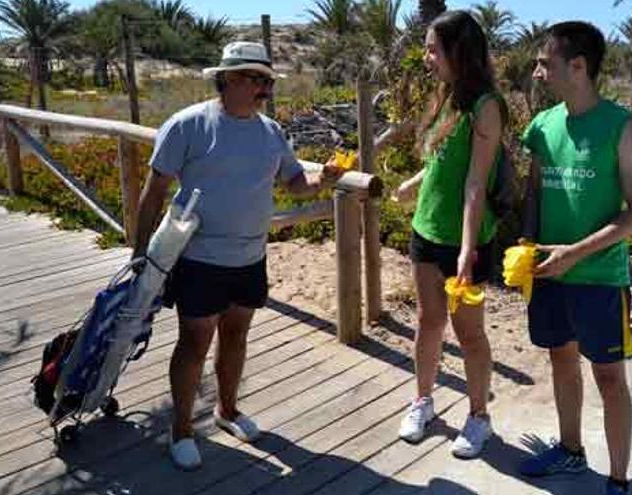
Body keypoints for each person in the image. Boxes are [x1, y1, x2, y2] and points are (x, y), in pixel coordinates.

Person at [132, 41, 342, 470]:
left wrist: (325, 179)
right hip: (198, 259)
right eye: (254, 78)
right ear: (226, 80)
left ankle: (227, 410)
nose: (263, 87)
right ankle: (182, 430)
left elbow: (294, 182)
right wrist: (139, 254)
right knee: (194, 342)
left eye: (266, 80)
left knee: (237, 336)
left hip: (251, 258)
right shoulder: (187, 125)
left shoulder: (271, 132)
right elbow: (153, 192)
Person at [517, 22, 632, 495]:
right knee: (560, 360)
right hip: (550, 272)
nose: (536, 72)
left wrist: (575, 254)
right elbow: (534, 191)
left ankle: (618, 481)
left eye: (544, 63)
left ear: (578, 67)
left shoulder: (625, 127)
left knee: (610, 378)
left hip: (598, 275)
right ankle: (572, 453)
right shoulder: (543, 126)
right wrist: (525, 243)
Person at [392, 10, 507, 459]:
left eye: (433, 49)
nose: (426, 58)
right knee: (428, 322)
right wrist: (415, 183)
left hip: (466, 240)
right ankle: (422, 401)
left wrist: (465, 250)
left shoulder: (486, 106)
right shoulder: (447, 96)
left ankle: (479, 416)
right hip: (427, 229)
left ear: (459, 51)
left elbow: (476, 183)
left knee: (470, 334)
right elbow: (445, 161)